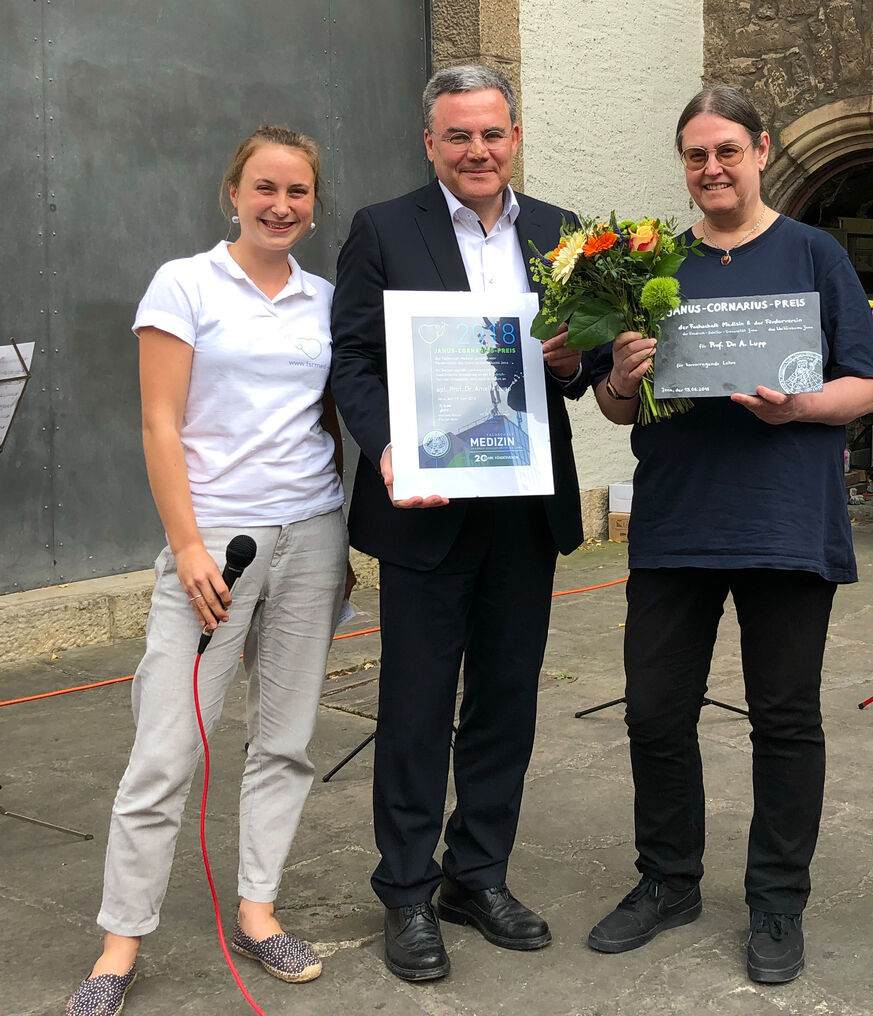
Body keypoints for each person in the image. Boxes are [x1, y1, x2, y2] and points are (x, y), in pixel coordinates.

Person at [585, 85, 873, 985]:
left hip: (783, 520)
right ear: (682, 166)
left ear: (759, 151)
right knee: (653, 713)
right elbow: (609, 402)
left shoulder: (813, 253)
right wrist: (624, 374)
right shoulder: (650, 264)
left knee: (785, 719)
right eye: (693, 155)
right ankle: (668, 880)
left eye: (725, 151)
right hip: (675, 520)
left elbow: (864, 386)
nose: (710, 169)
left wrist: (798, 406)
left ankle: (776, 900)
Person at [65, 124, 352, 1016]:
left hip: (312, 532)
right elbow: (160, 424)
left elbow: (337, 420)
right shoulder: (184, 284)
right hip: (216, 542)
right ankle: (120, 943)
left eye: (297, 191)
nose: (280, 205)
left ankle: (258, 911)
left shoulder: (325, 299)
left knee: (285, 739)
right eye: (264, 187)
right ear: (232, 192)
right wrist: (187, 546)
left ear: (314, 203)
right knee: (166, 746)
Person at [329, 64, 588, 982]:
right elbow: (353, 358)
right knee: (414, 707)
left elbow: (581, 365)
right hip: (426, 505)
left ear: (513, 136)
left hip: (522, 506)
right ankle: (405, 889)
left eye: (492, 134)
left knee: (505, 703)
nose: (477, 151)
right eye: (458, 136)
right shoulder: (382, 228)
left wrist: (568, 361)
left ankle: (476, 875)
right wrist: (388, 447)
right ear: (430, 142)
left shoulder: (559, 232)